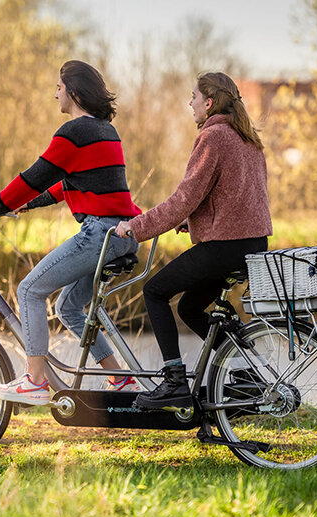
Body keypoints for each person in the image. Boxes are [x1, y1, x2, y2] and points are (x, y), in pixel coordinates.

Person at [0, 60, 142, 405]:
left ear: (74, 92)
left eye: (59, 88)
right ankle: (119, 377)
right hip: (123, 235)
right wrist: (26, 206)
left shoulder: (74, 132)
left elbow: (33, 178)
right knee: (69, 308)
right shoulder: (105, 130)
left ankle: (34, 381)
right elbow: (67, 184)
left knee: (30, 290)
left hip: (100, 234)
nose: (55, 94)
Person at [115, 72, 272, 410]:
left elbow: (183, 198)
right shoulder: (247, 137)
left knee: (154, 291)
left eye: (193, 97)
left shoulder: (213, 136)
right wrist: (196, 220)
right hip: (253, 244)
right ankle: (248, 374)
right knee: (188, 307)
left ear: (209, 102)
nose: (190, 103)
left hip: (224, 248)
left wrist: (137, 226)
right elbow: (238, 197)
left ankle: (174, 382)